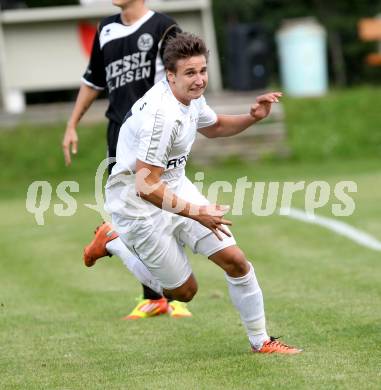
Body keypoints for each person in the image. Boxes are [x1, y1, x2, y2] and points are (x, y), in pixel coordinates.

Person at [104, 32, 302, 353]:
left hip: (173, 186)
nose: (199, 81)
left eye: (203, 71)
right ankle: (115, 242)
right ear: (171, 75)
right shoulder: (162, 117)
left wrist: (252, 118)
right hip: (136, 204)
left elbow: (215, 127)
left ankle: (261, 341)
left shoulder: (190, 98)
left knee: (236, 261)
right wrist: (198, 212)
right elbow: (145, 185)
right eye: (190, 73)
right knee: (184, 292)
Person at [62, 0, 191, 319]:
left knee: (170, 209)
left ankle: (162, 294)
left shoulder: (164, 28)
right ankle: (155, 297)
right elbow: (93, 81)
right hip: (121, 135)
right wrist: (71, 124)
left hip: (159, 132)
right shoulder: (106, 29)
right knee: (136, 217)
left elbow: (184, 75)